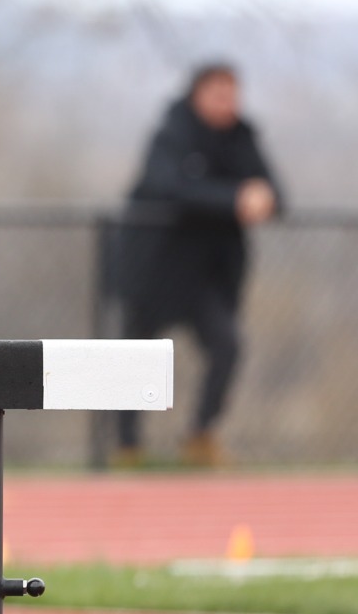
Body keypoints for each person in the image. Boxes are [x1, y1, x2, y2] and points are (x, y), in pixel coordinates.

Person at [112, 62, 284, 468]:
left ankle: (200, 435)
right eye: (217, 94)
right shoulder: (172, 133)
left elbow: (273, 192)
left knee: (227, 345)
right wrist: (233, 199)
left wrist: (263, 196)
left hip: (208, 275)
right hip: (155, 267)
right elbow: (167, 186)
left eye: (232, 94)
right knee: (135, 356)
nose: (227, 103)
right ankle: (127, 445)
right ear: (197, 94)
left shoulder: (242, 138)